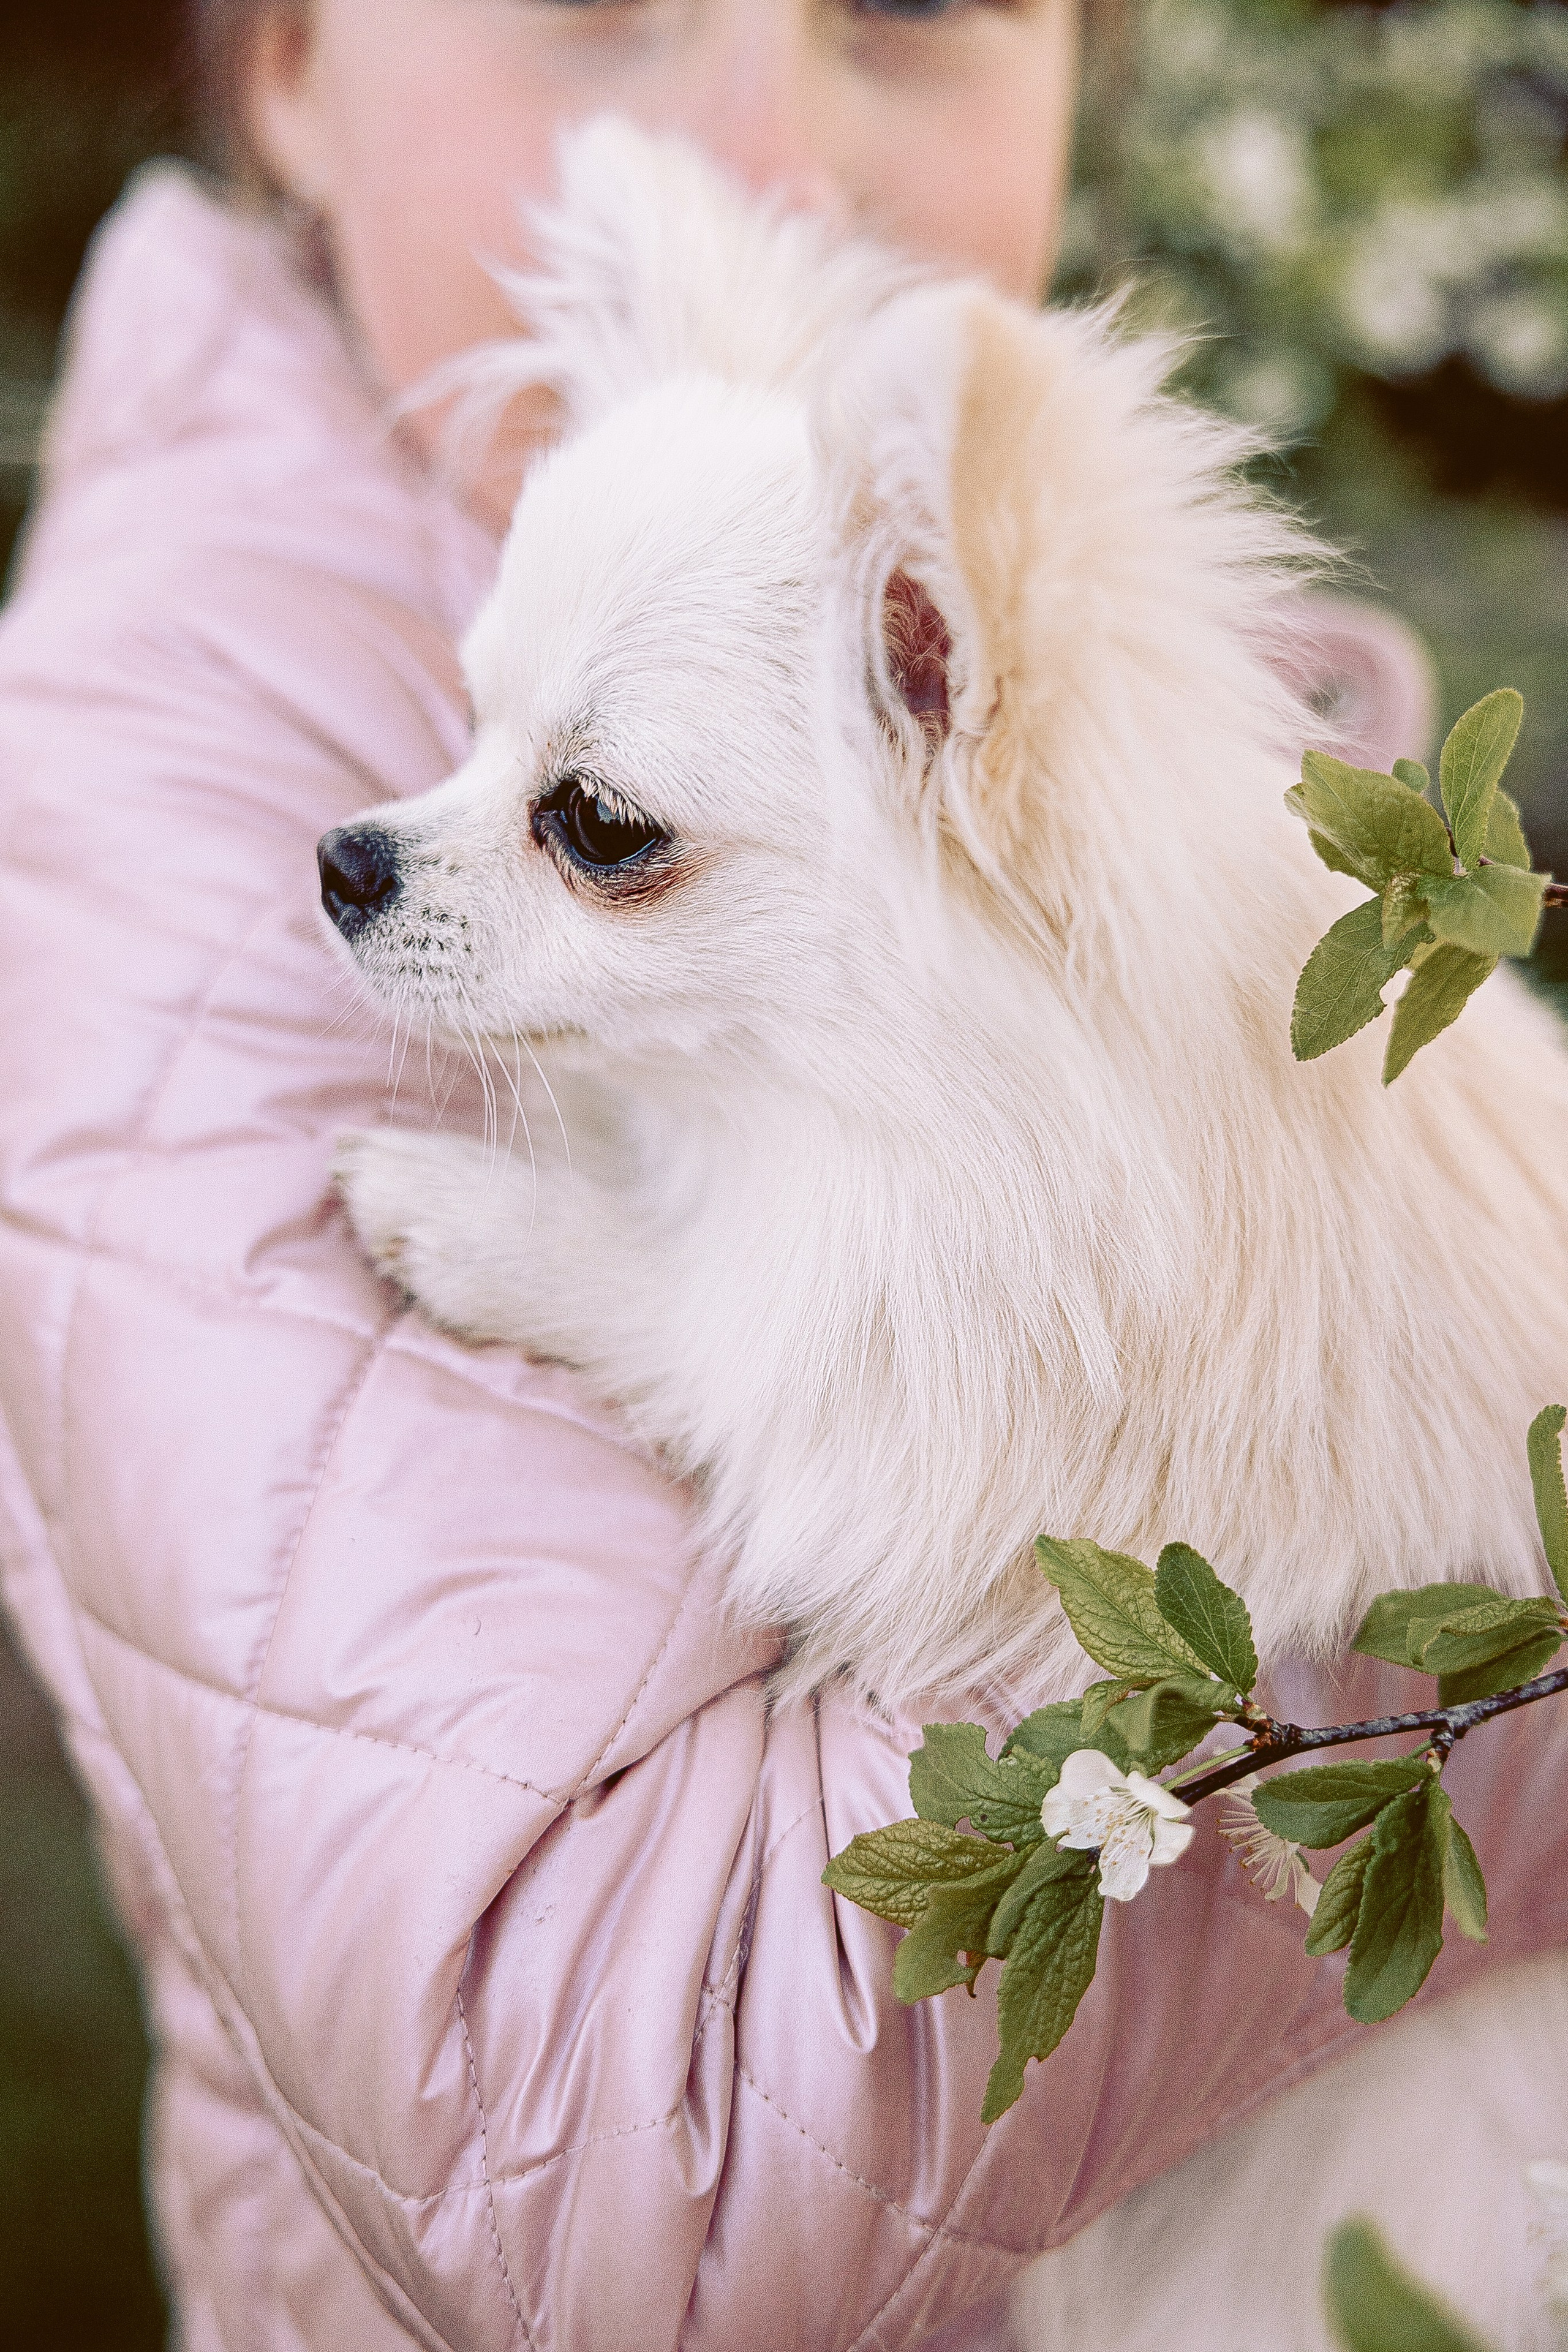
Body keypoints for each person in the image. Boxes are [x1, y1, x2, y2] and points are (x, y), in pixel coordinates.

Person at [0, 4, 1559, 2346]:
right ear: (291, 67)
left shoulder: (1029, 798)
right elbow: (633, 2167)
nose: (772, 147)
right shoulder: (137, 779)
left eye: (600, 830)